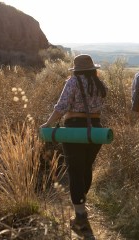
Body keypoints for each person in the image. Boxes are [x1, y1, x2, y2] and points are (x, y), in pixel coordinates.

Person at [40, 54, 107, 239]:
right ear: (93, 68)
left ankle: (80, 216)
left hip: (75, 130)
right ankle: (81, 205)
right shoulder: (99, 83)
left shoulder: (73, 81)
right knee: (86, 168)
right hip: (96, 131)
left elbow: (61, 106)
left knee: (75, 171)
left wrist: (48, 124)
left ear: (76, 69)